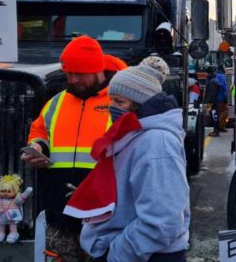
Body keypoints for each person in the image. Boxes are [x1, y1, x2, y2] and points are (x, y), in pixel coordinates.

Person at [70, 64, 190, 262]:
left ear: (140, 104)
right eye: (111, 100)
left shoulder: (156, 143)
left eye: (119, 101)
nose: (111, 108)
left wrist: (119, 253)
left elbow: (163, 220)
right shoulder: (135, 135)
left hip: (145, 256)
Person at [22, 35, 112, 262]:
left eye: (78, 73)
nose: (72, 79)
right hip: (59, 211)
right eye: (68, 73)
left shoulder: (118, 103)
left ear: (96, 69)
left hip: (102, 215)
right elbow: (40, 132)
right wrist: (37, 147)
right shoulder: (57, 101)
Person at [202, 70, 221, 137]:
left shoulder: (211, 82)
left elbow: (210, 94)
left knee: (214, 116)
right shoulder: (215, 81)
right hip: (215, 102)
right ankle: (216, 130)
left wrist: (208, 104)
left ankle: (216, 131)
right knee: (215, 116)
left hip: (212, 103)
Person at [214, 66, 229, 132]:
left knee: (219, 112)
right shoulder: (221, 76)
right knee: (225, 112)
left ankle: (219, 126)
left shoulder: (215, 75)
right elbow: (224, 88)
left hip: (216, 97)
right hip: (221, 98)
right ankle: (221, 126)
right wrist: (225, 97)